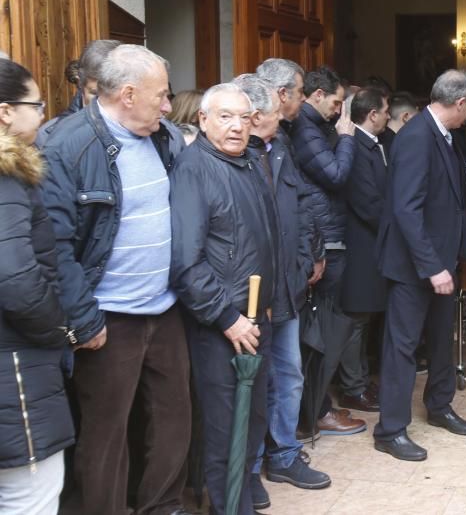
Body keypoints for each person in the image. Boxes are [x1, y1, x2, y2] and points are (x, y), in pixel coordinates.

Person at [41, 44, 191, 515]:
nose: (168, 107)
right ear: (128, 94)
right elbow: (56, 247)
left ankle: (162, 506)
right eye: (161, 96)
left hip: (164, 309)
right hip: (108, 317)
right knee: (106, 436)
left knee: (174, 419)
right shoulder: (66, 146)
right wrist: (85, 321)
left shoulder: (163, 136)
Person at [169, 83, 280, 515]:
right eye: (225, 117)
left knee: (251, 421)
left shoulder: (251, 161)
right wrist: (227, 317)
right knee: (224, 430)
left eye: (244, 118)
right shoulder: (194, 170)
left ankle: (238, 503)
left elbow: (265, 238)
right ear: (203, 119)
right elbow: (185, 262)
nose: (237, 127)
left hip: (256, 317)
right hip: (224, 326)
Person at [233, 75, 330, 507]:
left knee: (289, 374)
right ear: (256, 117)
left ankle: (285, 454)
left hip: (289, 281)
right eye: (276, 109)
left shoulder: (281, 147)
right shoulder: (235, 159)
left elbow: (304, 201)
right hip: (253, 291)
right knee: (255, 382)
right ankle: (250, 467)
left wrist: (311, 252)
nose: (284, 113)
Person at [373, 70, 466, 462]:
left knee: (440, 339)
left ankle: (439, 405)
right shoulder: (417, 136)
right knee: (402, 347)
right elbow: (406, 209)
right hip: (414, 266)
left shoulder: (443, 134)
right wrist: (433, 266)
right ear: (461, 103)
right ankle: (390, 429)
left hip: (441, 262)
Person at [0, 59, 74, 514]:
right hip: (14, 366)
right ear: (5, 112)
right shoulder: (6, 176)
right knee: (31, 495)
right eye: (35, 104)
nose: (43, 114)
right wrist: (59, 331)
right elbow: (17, 280)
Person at [290, 67, 367, 435]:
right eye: (336, 102)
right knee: (320, 333)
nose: (339, 111)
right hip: (324, 240)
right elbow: (335, 175)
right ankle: (316, 412)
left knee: (324, 330)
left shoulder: (312, 126)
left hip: (327, 234)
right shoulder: (307, 129)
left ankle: (317, 408)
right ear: (316, 95)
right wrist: (347, 138)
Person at [338, 87, 391, 413]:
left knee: (365, 316)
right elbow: (367, 203)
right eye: (385, 110)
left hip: (372, 245)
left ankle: (359, 380)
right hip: (360, 245)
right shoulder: (356, 146)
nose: (388, 115)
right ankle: (351, 387)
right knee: (355, 320)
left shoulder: (370, 144)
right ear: (372, 114)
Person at [36, 39, 119, 147]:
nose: (103, 104)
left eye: (111, 94)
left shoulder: (144, 129)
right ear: (81, 85)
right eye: (95, 94)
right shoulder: (49, 136)